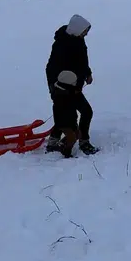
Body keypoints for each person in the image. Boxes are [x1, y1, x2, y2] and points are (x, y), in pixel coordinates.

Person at [44, 14, 98, 155]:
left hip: (74, 86)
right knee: (70, 114)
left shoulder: (79, 40)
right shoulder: (61, 44)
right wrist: (56, 87)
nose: (86, 33)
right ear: (77, 29)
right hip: (62, 88)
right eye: (85, 30)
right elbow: (52, 68)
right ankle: (67, 142)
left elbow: (82, 61)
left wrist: (88, 73)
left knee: (74, 113)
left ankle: (81, 141)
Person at [49, 70, 80, 158]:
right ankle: (66, 152)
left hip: (71, 119)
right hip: (63, 122)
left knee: (78, 134)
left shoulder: (67, 91)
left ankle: (62, 144)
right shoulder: (60, 96)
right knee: (72, 138)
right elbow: (66, 104)